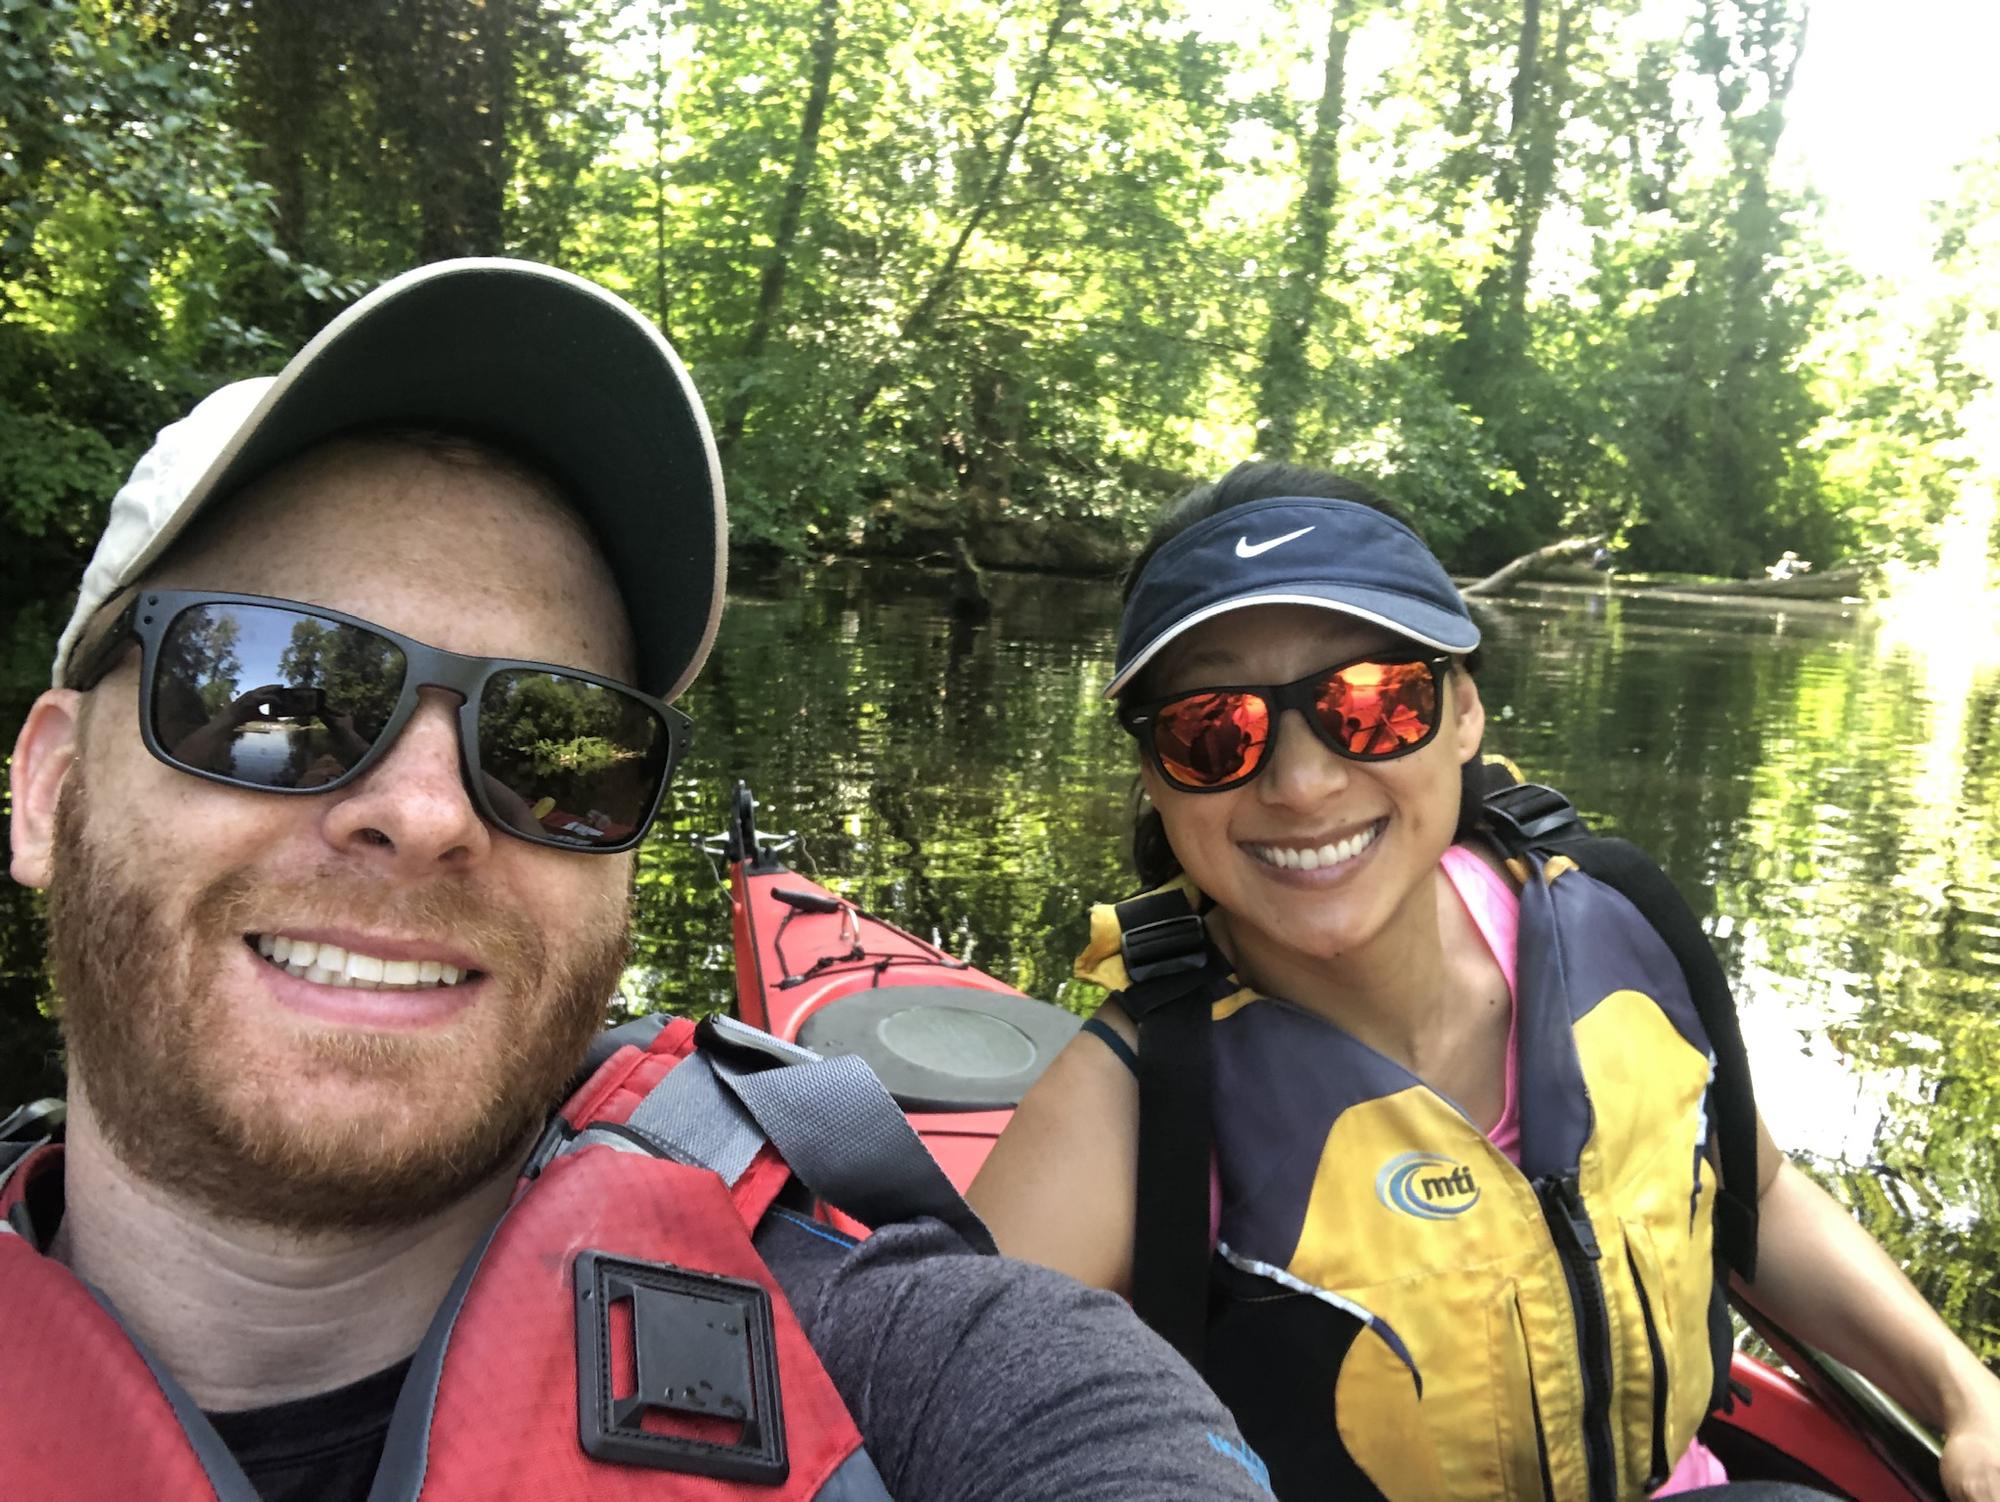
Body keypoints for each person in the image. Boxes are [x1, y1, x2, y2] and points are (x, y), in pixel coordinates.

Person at [0, 259, 1279, 1502]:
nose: (426, 810)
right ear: (49, 788)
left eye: (549, 738)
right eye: (278, 692)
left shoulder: (923, 1357)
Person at [968, 462, 2000, 1502]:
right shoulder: (1130, 1103)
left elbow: (1756, 1194)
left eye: (1368, 702)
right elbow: (939, 1417)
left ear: (1462, 713)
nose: (1302, 782)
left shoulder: (1624, 924)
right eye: (1212, 729)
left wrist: (1963, 1392)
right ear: (1153, 773)